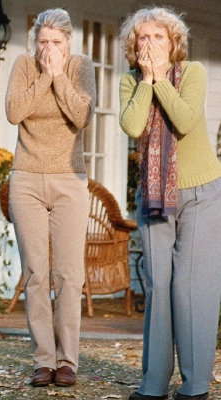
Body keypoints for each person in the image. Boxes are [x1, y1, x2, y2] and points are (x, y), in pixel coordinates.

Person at [119, 8, 221, 400]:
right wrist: (148, 81)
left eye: (158, 37)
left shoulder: (193, 72)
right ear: (134, 45)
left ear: (173, 42)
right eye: (143, 38)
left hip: (201, 193)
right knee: (159, 285)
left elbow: (184, 120)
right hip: (154, 196)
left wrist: (161, 79)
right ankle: (154, 384)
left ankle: (195, 387)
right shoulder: (129, 82)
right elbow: (132, 125)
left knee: (192, 288)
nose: (151, 44)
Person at [4, 8, 96, 388]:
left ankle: (67, 361)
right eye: (43, 42)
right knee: (36, 273)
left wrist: (58, 76)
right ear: (35, 42)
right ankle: (43, 360)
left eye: (56, 42)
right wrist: (44, 75)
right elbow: (14, 112)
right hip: (26, 178)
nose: (49, 49)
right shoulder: (25, 65)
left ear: (68, 42)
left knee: (69, 275)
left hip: (69, 179)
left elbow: (82, 115)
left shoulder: (81, 66)